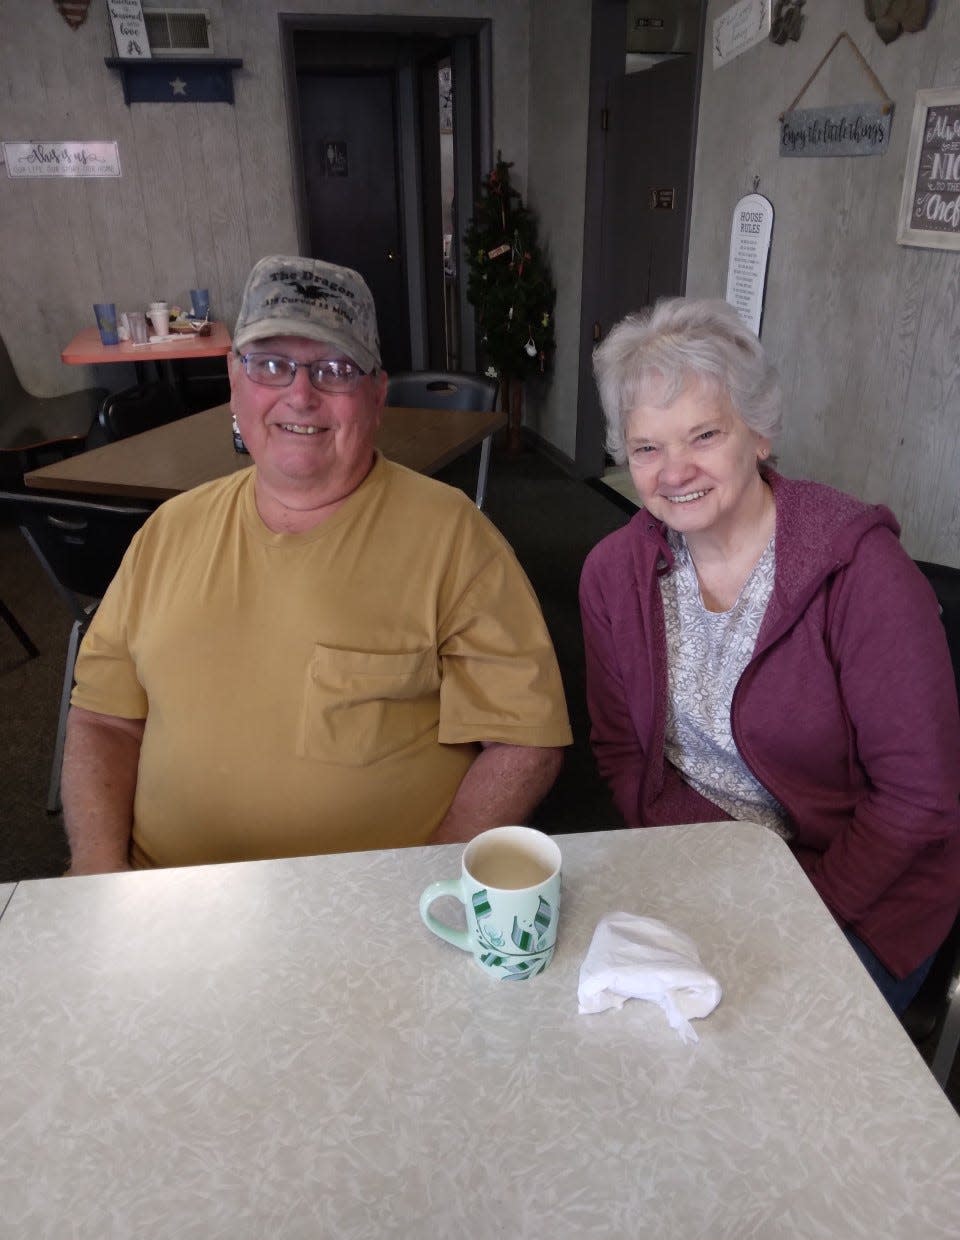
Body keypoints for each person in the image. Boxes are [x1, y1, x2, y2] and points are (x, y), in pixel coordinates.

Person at [63, 255, 571, 874]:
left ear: (376, 395)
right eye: (271, 365)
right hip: (165, 904)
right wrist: (97, 881)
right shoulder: (168, 531)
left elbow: (525, 740)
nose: (299, 395)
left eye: (334, 369)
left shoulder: (454, 538)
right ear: (234, 381)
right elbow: (102, 722)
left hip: (365, 915)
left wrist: (431, 883)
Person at [579, 297, 960, 1014]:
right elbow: (620, 750)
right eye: (647, 448)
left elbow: (916, 804)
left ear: (758, 433)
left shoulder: (863, 574)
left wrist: (789, 911)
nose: (673, 471)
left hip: (861, 891)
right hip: (700, 865)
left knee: (752, 1068)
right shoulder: (612, 573)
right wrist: (684, 871)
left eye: (704, 435)